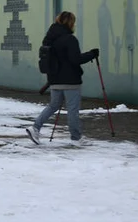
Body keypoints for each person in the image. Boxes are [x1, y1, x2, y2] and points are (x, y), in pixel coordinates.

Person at [26, 11, 99, 144]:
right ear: (70, 23)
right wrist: (91, 54)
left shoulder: (49, 39)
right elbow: (75, 59)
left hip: (54, 79)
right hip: (71, 80)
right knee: (72, 110)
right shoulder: (70, 39)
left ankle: (35, 127)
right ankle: (76, 138)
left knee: (53, 105)